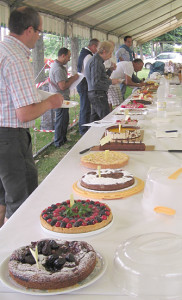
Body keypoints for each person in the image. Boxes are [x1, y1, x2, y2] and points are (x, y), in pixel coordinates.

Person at [0, 6, 64, 227]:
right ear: (28, 30)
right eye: (39, 31)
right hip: (10, 137)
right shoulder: (16, 58)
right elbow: (25, 112)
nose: (39, 36)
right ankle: (17, 252)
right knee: (22, 201)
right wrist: (51, 102)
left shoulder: (3, 49)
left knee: (3, 197)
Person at [49, 48, 79, 148]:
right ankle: (59, 142)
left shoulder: (59, 67)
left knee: (64, 119)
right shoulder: (58, 69)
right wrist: (73, 79)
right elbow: (62, 86)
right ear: (63, 55)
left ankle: (63, 139)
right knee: (61, 120)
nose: (69, 59)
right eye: (68, 56)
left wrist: (71, 78)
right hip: (59, 99)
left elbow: (63, 82)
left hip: (61, 98)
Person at [85, 41, 120, 122]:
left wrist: (110, 70)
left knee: (95, 120)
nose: (110, 56)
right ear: (104, 51)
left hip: (96, 93)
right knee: (106, 119)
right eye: (110, 53)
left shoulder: (97, 61)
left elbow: (102, 77)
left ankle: (92, 133)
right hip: (97, 94)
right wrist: (111, 82)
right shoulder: (96, 62)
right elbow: (96, 82)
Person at [77, 38, 99, 135]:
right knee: (85, 107)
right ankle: (83, 130)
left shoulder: (85, 53)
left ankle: (84, 128)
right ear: (93, 46)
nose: (97, 50)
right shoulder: (88, 56)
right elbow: (88, 73)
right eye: (97, 48)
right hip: (84, 82)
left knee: (85, 107)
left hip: (83, 82)